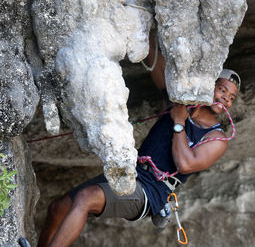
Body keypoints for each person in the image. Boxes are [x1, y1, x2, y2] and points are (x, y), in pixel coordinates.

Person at [37, 26, 241, 245]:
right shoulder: (177, 104)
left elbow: (185, 164)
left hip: (150, 192)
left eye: (231, 98)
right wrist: (143, 23)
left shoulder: (216, 139)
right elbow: (158, 66)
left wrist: (179, 122)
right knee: (57, 208)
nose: (225, 99)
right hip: (129, 173)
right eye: (222, 90)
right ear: (209, 86)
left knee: (85, 199)